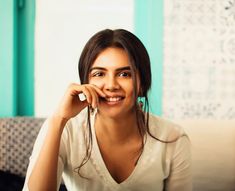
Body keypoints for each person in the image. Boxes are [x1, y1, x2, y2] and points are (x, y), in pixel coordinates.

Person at [23, 29, 192, 191]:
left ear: (142, 83)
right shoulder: (64, 128)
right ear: (85, 82)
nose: (111, 85)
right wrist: (58, 119)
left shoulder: (173, 139)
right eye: (99, 74)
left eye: (124, 74)